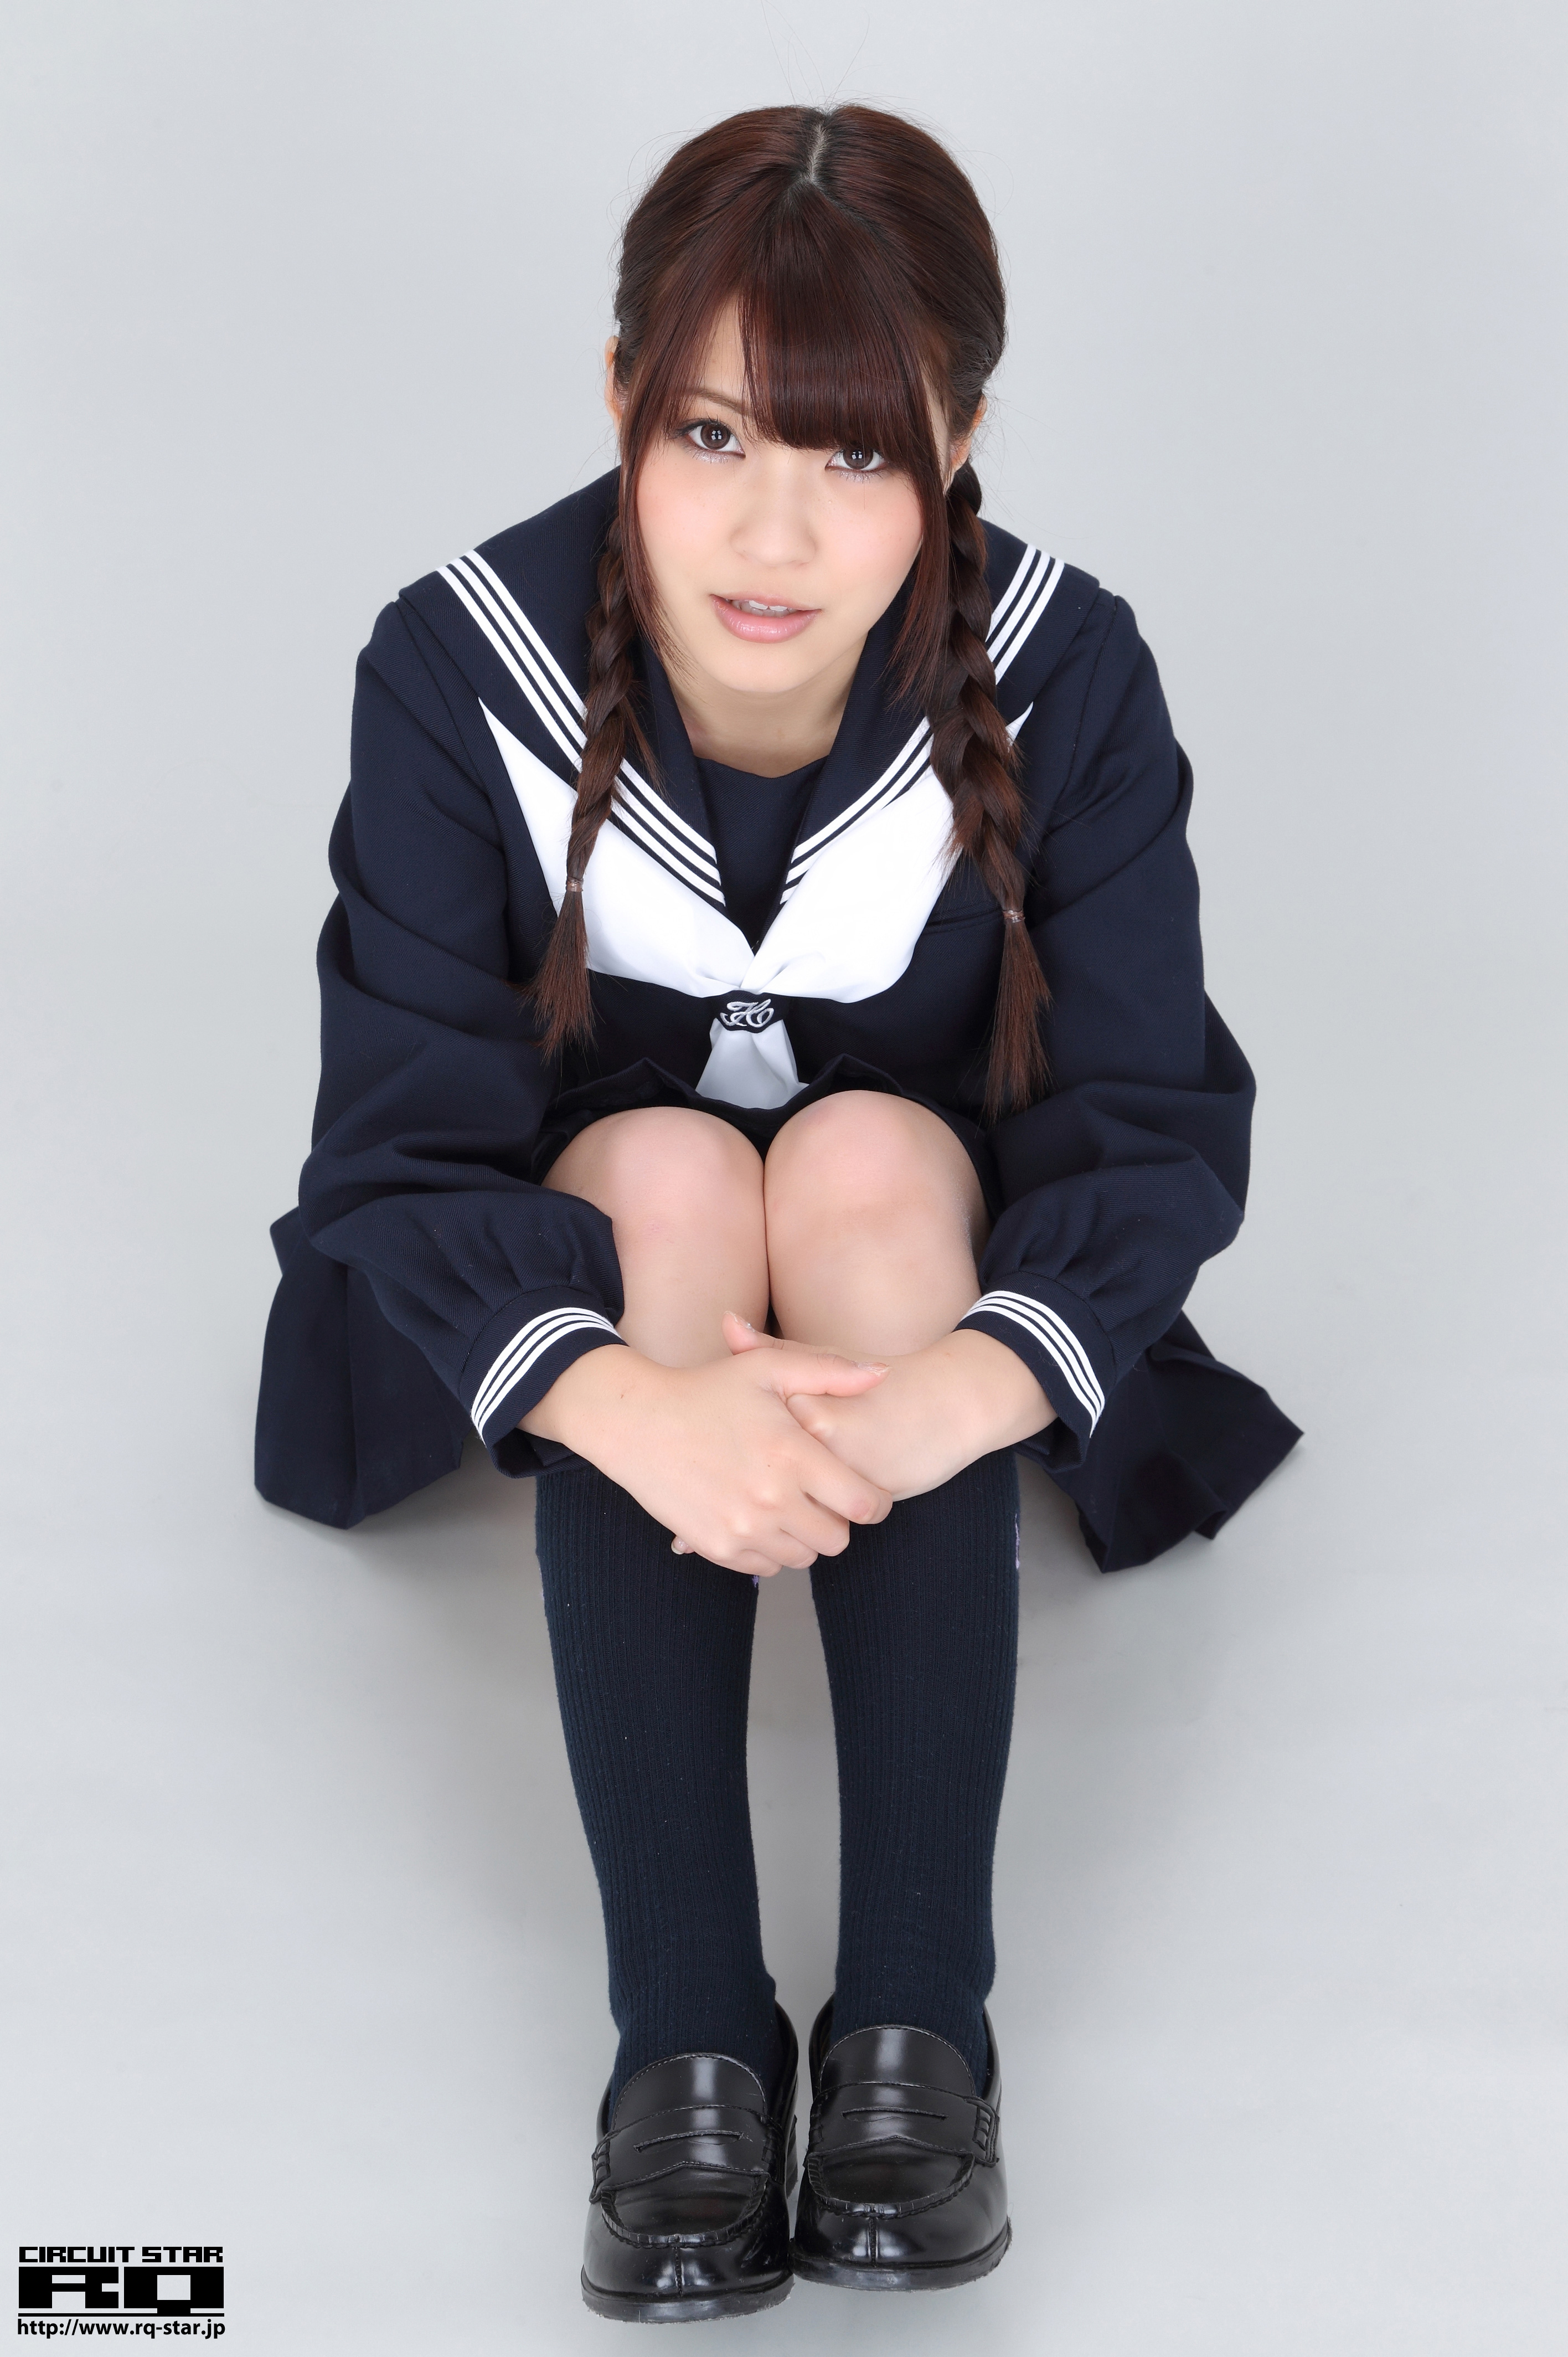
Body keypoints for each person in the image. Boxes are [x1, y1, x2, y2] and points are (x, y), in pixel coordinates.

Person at [256, 102, 1299, 2321]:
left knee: (866, 1157)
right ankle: (685, 2034)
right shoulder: (454, 666)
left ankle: (923, 2010)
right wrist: (630, 1404)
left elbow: (1142, 1120)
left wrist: (950, 1398)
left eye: (855, 450)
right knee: (659, 1167)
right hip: (589, 1268)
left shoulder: (1069, 670)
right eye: (714, 430)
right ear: (618, 398)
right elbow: (402, 1140)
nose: (772, 527)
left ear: (960, 442)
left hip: (908, 1256)